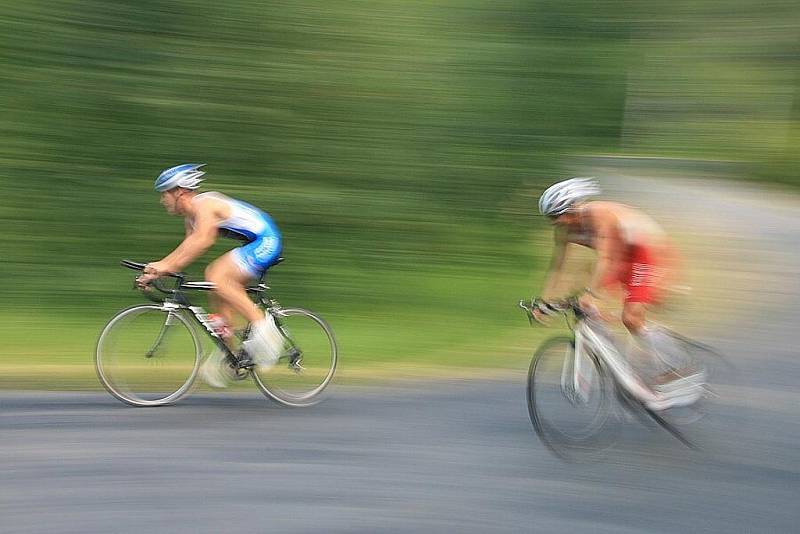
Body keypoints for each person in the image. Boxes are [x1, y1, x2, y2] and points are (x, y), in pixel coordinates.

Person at [534, 177, 700, 410]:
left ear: (573, 207)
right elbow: (559, 267)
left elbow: (607, 259)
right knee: (587, 304)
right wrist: (544, 302)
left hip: (643, 254)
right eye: (551, 219)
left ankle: (675, 367)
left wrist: (592, 293)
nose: (556, 223)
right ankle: (626, 359)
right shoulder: (564, 229)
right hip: (620, 258)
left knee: (630, 317)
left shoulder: (601, 217)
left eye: (559, 215)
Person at [136, 163, 285, 387]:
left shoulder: (204, 205)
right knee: (215, 289)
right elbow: (186, 250)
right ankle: (232, 356)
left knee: (216, 275)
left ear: (180, 192)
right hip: (254, 243)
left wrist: (163, 266)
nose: (162, 200)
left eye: (164, 194)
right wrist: (156, 271)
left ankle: (264, 328)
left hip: (267, 240)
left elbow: (204, 240)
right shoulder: (191, 217)